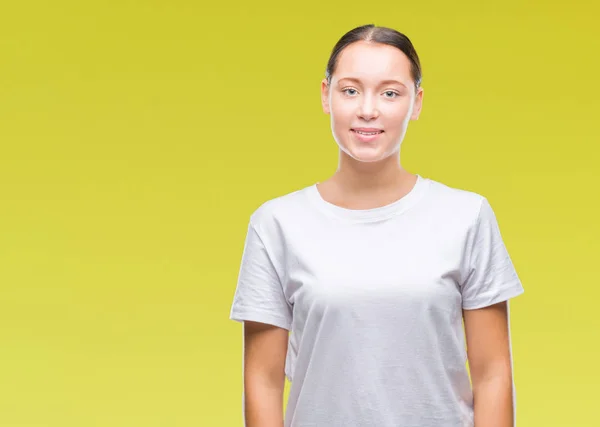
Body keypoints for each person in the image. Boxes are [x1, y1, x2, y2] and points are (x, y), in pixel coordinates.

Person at [229, 24, 524, 427]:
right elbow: (262, 381)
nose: (368, 109)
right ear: (325, 96)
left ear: (416, 102)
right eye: (350, 90)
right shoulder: (277, 224)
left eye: (390, 92)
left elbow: (492, 374)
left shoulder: (466, 216)